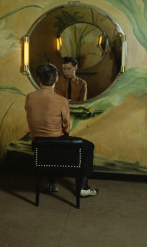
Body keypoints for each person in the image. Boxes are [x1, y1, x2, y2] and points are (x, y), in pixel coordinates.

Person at [25, 62, 98, 197]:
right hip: (57, 147)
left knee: (50, 142)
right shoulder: (62, 101)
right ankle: (83, 187)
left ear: (39, 79)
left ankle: (52, 183)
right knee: (88, 147)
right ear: (57, 79)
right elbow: (67, 128)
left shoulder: (29, 98)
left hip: (37, 146)